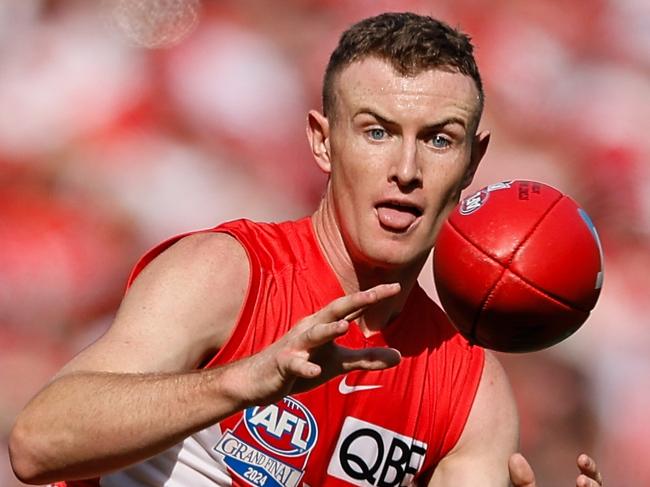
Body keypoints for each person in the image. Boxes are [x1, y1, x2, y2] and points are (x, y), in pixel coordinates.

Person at [9, 12, 603, 487]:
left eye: (439, 140)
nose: (406, 169)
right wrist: (241, 382)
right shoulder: (226, 274)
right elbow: (36, 445)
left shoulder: (471, 393)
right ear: (322, 142)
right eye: (376, 131)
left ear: (472, 162)